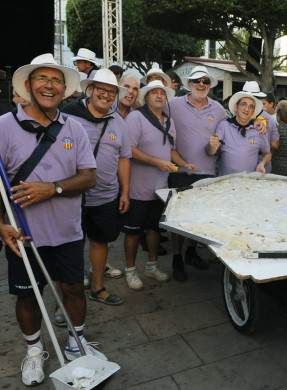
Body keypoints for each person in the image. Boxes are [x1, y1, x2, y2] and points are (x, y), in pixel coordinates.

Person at [0, 53, 106, 387]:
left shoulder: (74, 128)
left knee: (74, 289)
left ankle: (76, 342)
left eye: (56, 80)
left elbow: (89, 177)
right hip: (23, 235)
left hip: (67, 231)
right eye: (42, 79)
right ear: (29, 86)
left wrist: (54, 188)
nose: (49, 85)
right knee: (28, 296)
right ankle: (34, 352)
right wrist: (0, 225)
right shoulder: (3, 127)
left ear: (64, 89)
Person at [62, 68, 131, 306]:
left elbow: (124, 158)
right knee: (70, 250)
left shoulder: (118, 122)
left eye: (111, 91)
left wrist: (125, 192)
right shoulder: (68, 116)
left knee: (101, 241)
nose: (106, 95)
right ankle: (67, 301)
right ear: (89, 90)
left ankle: (97, 288)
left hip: (105, 196)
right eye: (101, 89)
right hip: (71, 198)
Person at [121, 80, 184, 290]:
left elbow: (171, 150)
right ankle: (130, 271)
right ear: (146, 97)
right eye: (154, 92)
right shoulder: (135, 118)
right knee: (132, 232)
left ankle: (151, 266)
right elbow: (129, 150)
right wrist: (158, 162)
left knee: (154, 230)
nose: (159, 96)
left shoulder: (169, 121)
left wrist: (184, 163)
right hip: (137, 188)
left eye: (162, 93)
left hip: (160, 188)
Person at [167, 65, 227, 280]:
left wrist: (260, 122)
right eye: (197, 81)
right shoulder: (173, 104)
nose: (201, 84)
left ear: (209, 86)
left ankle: (191, 253)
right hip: (180, 170)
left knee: (197, 219)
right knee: (177, 219)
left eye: (206, 81)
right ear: (189, 84)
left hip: (207, 172)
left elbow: (237, 123)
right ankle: (177, 258)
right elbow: (152, 115)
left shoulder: (218, 109)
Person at [207, 91, 271, 175]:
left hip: (249, 183)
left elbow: (267, 153)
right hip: (225, 182)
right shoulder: (224, 126)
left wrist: (262, 164)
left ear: (253, 112)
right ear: (236, 107)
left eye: (251, 107)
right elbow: (210, 152)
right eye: (244, 104)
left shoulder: (259, 129)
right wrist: (211, 146)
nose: (247, 109)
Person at [241, 81, 279, 173]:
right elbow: (275, 145)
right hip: (264, 162)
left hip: (244, 161)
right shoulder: (270, 119)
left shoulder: (238, 117)